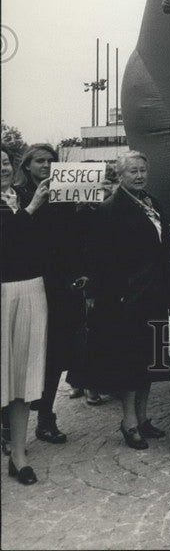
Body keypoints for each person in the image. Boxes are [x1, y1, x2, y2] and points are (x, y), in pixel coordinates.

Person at [83, 151, 170, 450]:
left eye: (142, 170)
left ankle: (144, 418)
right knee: (131, 363)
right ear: (119, 176)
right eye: (132, 171)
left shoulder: (151, 202)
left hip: (154, 294)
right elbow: (101, 257)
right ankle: (129, 422)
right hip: (128, 297)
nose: (139, 175)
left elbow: (154, 245)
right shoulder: (111, 209)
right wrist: (108, 293)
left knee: (150, 360)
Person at [14, 143, 87, 445]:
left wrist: (86, 210)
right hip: (27, 281)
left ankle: (46, 417)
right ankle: (11, 423)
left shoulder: (66, 191)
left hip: (60, 285)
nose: (45, 166)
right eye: (39, 161)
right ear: (27, 165)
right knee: (23, 351)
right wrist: (36, 205)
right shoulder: (18, 195)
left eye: (50, 161)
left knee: (56, 352)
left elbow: (76, 237)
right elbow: (15, 238)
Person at [1, 150, 50, 484]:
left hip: (32, 287)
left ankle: (19, 455)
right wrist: (32, 209)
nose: (1, 168)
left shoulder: (22, 194)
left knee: (22, 376)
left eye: (4, 162)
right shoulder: (26, 203)